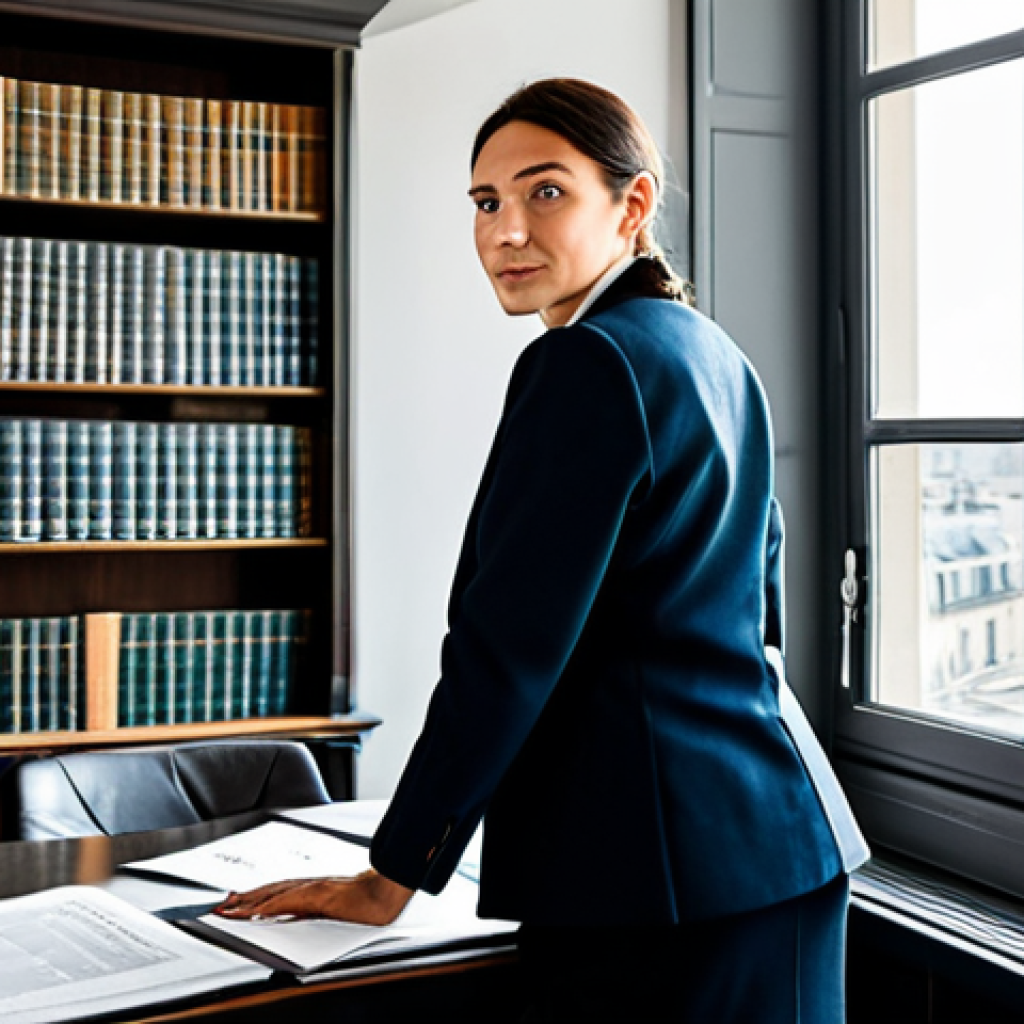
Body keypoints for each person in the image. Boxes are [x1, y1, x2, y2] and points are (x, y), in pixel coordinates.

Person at [217, 77, 869, 1022]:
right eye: (486, 202)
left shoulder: (588, 361)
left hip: (654, 885)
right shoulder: (713, 353)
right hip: (782, 842)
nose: (505, 231)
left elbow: (505, 650)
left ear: (632, 204)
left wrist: (393, 875)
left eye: (545, 192)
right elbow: (756, 618)